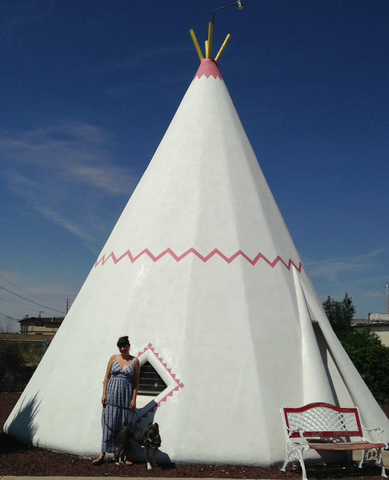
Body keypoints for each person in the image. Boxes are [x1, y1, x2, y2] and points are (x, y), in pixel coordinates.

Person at [93, 335, 140, 465]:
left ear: (129, 346)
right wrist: (104, 394)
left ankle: (126, 456)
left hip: (126, 396)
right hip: (112, 394)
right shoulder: (113, 358)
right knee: (109, 423)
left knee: (125, 425)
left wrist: (134, 399)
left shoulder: (135, 361)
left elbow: (136, 382)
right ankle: (103, 454)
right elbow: (107, 377)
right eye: (120, 347)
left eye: (125, 346)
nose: (122, 349)